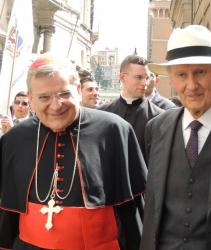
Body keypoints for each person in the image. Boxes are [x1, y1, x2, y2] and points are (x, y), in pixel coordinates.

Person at [0, 53, 147, 250]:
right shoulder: (15, 139)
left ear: (78, 90)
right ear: (31, 99)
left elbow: (131, 210)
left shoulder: (113, 130)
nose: (55, 105)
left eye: (63, 94)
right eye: (44, 97)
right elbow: (7, 211)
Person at [140, 24, 211, 250]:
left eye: (200, 72)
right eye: (181, 74)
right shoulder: (156, 128)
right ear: (171, 78)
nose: (191, 85)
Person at [99, 55, 163, 158]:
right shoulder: (102, 114)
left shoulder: (159, 117)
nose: (144, 83)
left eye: (146, 77)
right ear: (122, 77)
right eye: (139, 77)